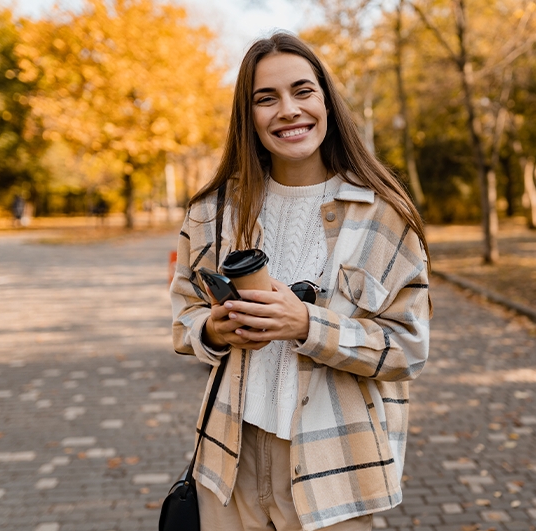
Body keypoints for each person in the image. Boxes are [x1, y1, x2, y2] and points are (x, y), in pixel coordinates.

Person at [170, 32, 431, 531]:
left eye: (302, 91)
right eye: (266, 99)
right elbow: (184, 318)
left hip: (336, 467)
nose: (288, 110)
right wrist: (214, 330)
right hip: (228, 460)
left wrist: (308, 324)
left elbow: (408, 350)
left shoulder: (384, 214)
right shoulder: (213, 212)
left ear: (327, 103)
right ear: (248, 117)